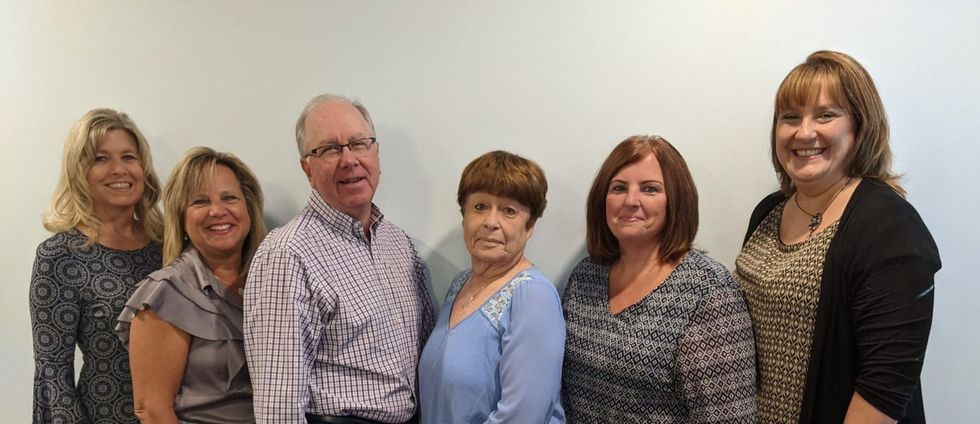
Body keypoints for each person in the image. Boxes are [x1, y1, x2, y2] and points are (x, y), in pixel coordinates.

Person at [735, 50, 941, 424]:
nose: (804, 132)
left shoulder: (889, 226)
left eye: (826, 115)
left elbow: (884, 389)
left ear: (860, 126)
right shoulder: (768, 212)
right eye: (790, 117)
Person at [244, 94, 436, 424]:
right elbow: (279, 408)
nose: (349, 160)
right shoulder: (288, 255)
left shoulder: (398, 244)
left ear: (376, 154)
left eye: (359, 144)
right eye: (330, 149)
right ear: (308, 169)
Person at [562, 135, 757, 423]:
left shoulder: (709, 292)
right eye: (619, 188)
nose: (631, 201)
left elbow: (729, 417)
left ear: (676, 201)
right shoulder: (585, 276)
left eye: (650, 189)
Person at [30, 108, 164, 423]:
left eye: (129, 157)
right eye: (101, 159)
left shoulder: (167, 247)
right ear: (79, 172)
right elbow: (54, 375)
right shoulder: (60, 256)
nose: (119, 169)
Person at [116, 147, 266, 423]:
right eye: (200, 201)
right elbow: (152, 411)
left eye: (229, 197)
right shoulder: (165, 294)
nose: (217, 211)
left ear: (249, 207)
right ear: (181, 218)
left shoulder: (273, 281)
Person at [419, 151, 566, 423]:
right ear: (464, 217)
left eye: (509, 211)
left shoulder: (533, 297)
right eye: (480, 207)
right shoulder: (459, 284)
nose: (490, 222)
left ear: (530, 226)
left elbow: (522, 416)